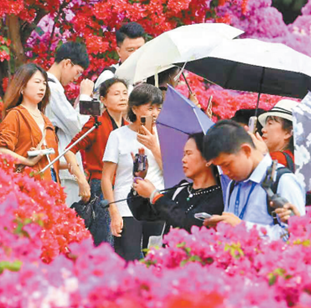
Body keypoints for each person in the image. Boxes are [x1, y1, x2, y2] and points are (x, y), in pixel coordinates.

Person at [201, 120, 306, 240]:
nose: (225, 172)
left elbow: (297, 238)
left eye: (227, 164)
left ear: (246, 150)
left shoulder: (283, 181)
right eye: (220, 166)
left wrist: (242, 228)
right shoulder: (233, 185)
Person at [0, 63, 88, 193]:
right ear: (22, 87)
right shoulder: (15, 115)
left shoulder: (46, 120)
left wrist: (67, 165)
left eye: (44, 83)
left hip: (51, 187)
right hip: (28, 190)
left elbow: (46, 160)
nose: (42, 87)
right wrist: (27, 161)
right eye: (37, 82)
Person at [101, 83, 164, 261]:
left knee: (154, 259)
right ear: (135, 108)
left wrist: (155, 147)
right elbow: (106, 178)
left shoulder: (163, 135)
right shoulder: (118, 135)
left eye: (158, 108)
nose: (155, 113)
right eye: (150, 108)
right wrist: (113, 211)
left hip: (156, 203)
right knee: (128, 259)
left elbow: (172, 174)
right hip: (126, 206)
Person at [68, 77, 129, 246]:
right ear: (103, 100)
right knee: (106, 241)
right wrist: (81, 180)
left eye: (125, 93)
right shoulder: (96, 123)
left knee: (125, 242)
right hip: (101, 188)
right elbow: (70, 150)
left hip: (124, 188)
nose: (123, 97)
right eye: (116, 94)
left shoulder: (128, 126)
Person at [129, 131, 224, 233]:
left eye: (189, 154)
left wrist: (155, 196)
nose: (183, 159)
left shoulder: (219, 197)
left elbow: (188, 224)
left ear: (208, 160)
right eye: (183, 154)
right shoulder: (181, 190)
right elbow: (142, 212)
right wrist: (138, 179)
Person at [45, 41, 94, 205]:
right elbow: (80, 129)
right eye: (78, 72)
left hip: (62, 165)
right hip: (63, 166)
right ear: (66, 63)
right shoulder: (52, 88)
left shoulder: (48, 86)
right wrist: (86, 97)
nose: (76, 78)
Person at [94, 22, 146, 93]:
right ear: (119, 51)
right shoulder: (109, 77)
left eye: (141, 49)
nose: (137, 54)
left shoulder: (154, 75)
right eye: (131, 50)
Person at [258, 100, 298, 170]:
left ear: (288, 132)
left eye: (270, 123)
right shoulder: (295, 160)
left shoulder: (276, 159)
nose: (263, 130)